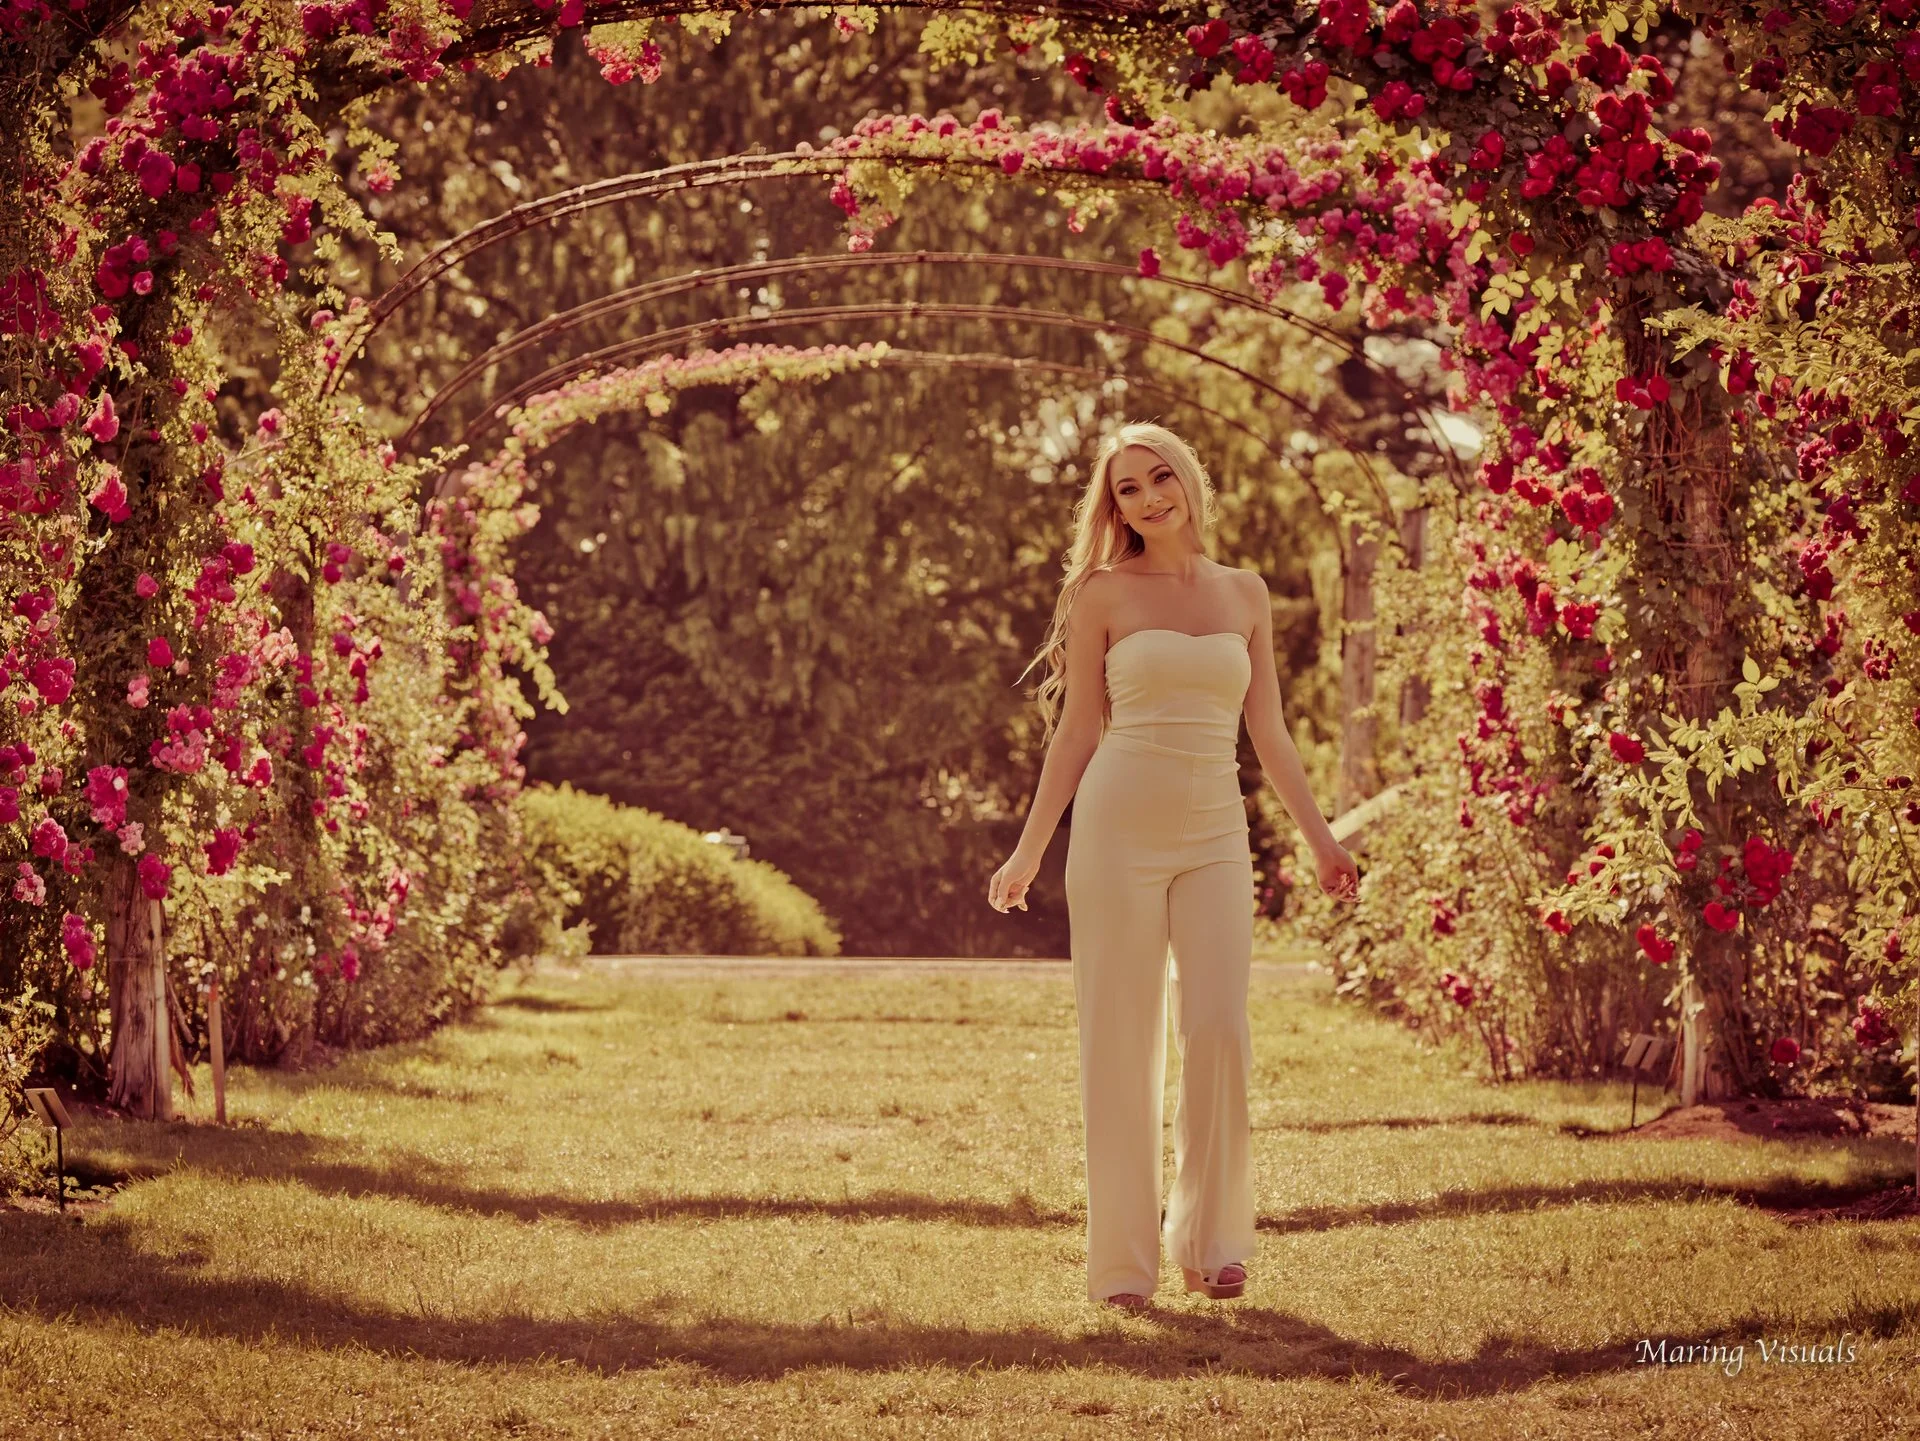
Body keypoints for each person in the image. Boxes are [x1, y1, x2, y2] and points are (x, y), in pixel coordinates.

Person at [987, 422, 1360, 1310]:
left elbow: (1269, 730)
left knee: (1219, 1027)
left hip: (1216, 833)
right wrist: (1030, 849)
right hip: (1115, 831)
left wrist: (1322, 840)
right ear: (1114, 507)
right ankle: (1123, 1268)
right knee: (1120, 1042)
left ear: (1189, 480)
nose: (1150, 497)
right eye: (1128, 488)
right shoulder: (1101, 593)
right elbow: (1078, 729)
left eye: (1160, 477)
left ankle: (1209, 1241)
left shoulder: (1245, 592)